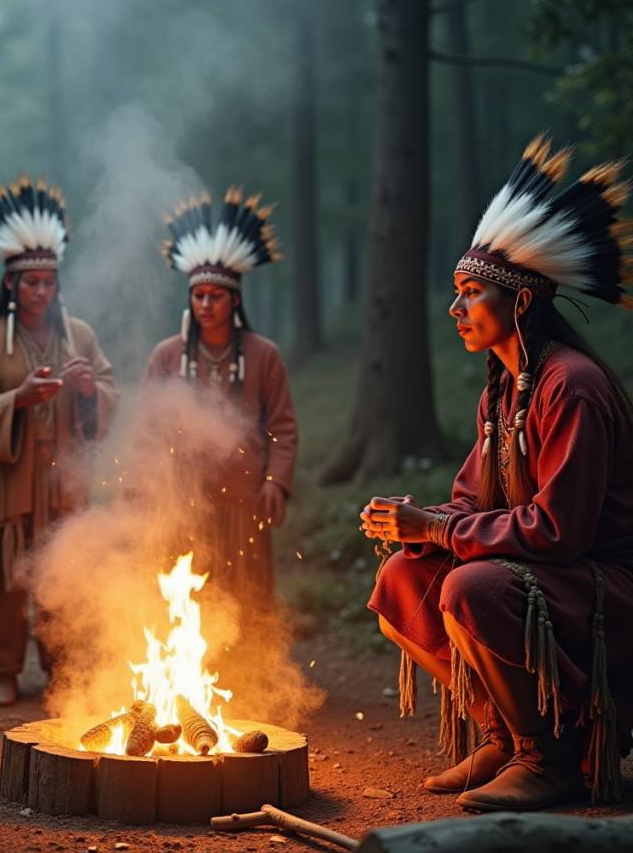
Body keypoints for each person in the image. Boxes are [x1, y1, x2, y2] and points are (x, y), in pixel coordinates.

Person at [361, 136, 633, 811]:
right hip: (545, 571)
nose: (456, 309)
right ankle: (508, 734)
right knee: (402, 577)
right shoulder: (502, 391)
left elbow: (560, 533)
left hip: (601, 585)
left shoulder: (572, 386)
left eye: (470, 293)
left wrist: (443, 532)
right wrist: (418, 526)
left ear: (522, 303)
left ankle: (553, 757)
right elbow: (465, 505)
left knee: (470, 587)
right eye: (456, 293)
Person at [0, 175, 118, 707]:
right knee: (5, 581)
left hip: (63, 483)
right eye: (31, 283)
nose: (41, 291)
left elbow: (109, 395)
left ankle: (65, 672)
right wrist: (18, 399)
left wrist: (91, 391)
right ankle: (1, 672)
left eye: (49, 282)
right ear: (10, 284)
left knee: (64, 575)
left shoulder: (81, 336)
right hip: (8, 481)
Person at [141, 188, 297, 607]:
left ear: (235, 299)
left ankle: (246, 674)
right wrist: (146, 490)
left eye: (216, 295)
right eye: (198, 295)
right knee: (184, 602)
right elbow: (147, 433)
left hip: (242, 502)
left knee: (245, 598)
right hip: (181, 503)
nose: (206, 303)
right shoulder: (167, 355)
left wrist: (275, 482)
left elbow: (282, 426)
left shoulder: (264, 355)